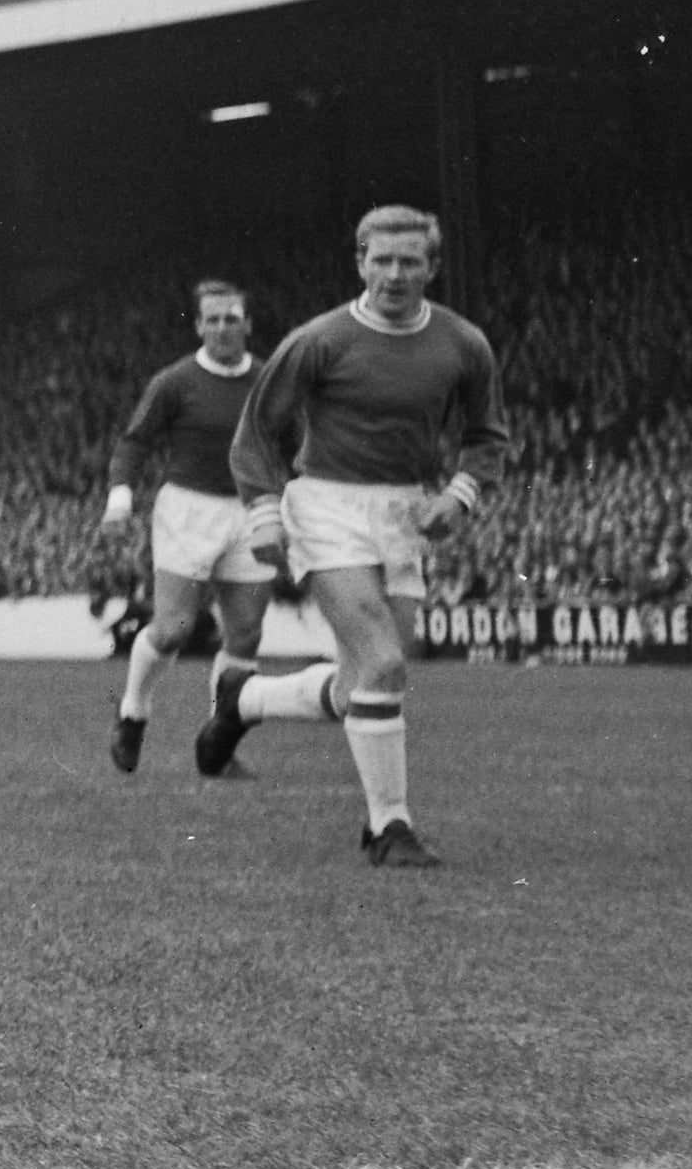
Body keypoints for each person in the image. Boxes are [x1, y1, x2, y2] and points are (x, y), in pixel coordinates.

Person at [205, 204, 502, 867]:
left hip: (402, 512)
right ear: (360, 261)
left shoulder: (463, 344)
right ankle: (387, 828)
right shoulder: (321, 340)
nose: (395, 274)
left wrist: (460, 494)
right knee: (383, 661)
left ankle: (245, 700)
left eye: (410, 262)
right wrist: (264, 509)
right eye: (382, 260)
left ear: (432, 267)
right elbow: (256, 433)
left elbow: (488, 437)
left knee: (363, 684)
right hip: (326, 505)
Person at [96, 281, 284, 774]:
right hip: (188, 510)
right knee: (175, 628)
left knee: (245, 636)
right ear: (199, 326)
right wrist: (120, 497)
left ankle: (217, 751)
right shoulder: (175, 381)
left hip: (250, 509)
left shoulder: (268, 380)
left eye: (232, 318)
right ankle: (133, 712)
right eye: (213, 319)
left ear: (248, 324)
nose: (223, 327)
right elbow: (134, 442)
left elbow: (296, 440)